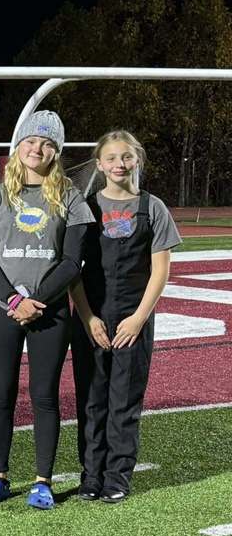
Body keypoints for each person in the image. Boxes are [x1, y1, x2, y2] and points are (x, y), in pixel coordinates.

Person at [0, 110, 94, 510]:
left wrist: (36, 300)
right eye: (30, 141)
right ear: (18, 146)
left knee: (44, 395)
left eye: (46, 143)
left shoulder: (71, 196)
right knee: (1, 392)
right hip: (2, 309)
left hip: (50, 311)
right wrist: (13, 300)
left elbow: (73, 260)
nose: (37, 148)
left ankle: (42, 480)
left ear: (56, 151)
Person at [69, 130, 181, 503]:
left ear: (137, 160)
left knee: (124, 400)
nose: (120, 164)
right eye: (112, 158)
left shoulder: (153, 207)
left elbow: (160, 271)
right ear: (99, 164)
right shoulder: (85, 208)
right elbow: (73, 270)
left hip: (133, 318)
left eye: (127, 157)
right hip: (93, 319)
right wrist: (87, 318)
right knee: (92, 398)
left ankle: (117, 477)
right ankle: (91, 475)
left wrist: (138, 319)